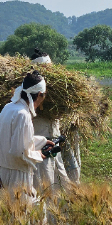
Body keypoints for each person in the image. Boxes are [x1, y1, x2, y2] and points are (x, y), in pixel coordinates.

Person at [0, 70, 54, 203]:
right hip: (17, 173)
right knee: (25, 216)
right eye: (44, 95)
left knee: (16, 214)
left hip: (4, 170)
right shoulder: (23, 114)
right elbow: (19, 151)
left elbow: (13, 140)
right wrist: (39, 154)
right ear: (39, 94)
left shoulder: (9, 107)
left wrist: (43, 141)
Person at [29, 49, 72, 191]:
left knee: (60, 180)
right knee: (44, 182)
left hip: (53, 140)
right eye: (48, 67)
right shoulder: (31, 92)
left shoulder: (55, 91)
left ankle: (59, 209)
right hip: (40, 144)